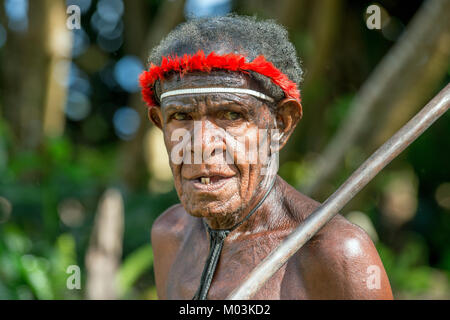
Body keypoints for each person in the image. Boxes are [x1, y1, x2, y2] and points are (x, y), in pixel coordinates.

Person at [140, 15, 393, 300]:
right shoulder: (169, 235)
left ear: (281, 124)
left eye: (231, 115)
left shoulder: (336, 253)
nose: (201, 144)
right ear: (159, 122)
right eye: (180, 116)